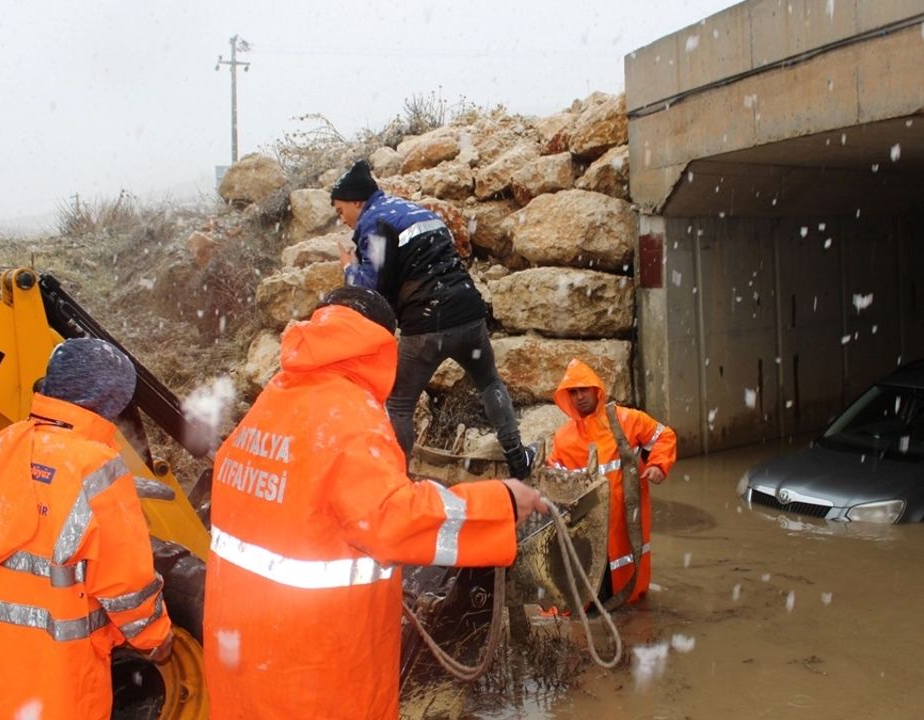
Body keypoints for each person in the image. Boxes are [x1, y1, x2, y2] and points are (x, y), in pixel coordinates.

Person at [202, 286, 547, 720]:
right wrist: (501, 502)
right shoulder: (351, 416)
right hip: (317, 671)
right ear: (380, 344)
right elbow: (392, 521)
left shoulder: (270, 404)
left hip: (243, 660)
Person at [0, 338, 173, 720]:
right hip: (61, 684)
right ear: (109, 400)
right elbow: (125, 584)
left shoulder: (0, 446)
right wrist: (156, 640)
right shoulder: (97, 468)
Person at [330, 159, 536, 479]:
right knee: (489, 382)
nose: (343, 221)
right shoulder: (416, 210)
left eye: (341, 211)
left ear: (357, 201)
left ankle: (395, 480)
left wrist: (348, 268)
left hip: (427, 325)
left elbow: (367, 290)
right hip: (469, 313)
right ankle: (518, 459)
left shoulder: (373, 221)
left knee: (399, 404)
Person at [548, 358, 677, 605]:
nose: (579, 397)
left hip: (625, 520)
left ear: (596, 390)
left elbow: (664, 436)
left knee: (628, 581)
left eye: (583, 390)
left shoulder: (627, 420)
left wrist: (658, 465)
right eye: (573, 392)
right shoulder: (563, 438)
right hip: (587, 524)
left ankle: (628, 616)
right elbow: (554, 481)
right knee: (590, 579)